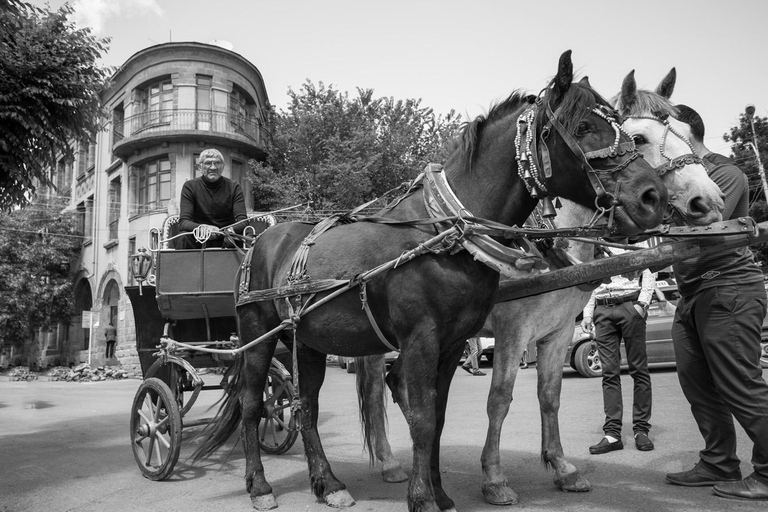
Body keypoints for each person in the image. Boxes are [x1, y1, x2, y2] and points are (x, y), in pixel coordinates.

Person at [664, 105, 768, 500]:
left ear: (685, 131)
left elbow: (707, 225)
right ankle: (719, 461)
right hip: (691, 294)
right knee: (698, 385)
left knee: (741, 384)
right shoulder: (673, 180)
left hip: (728, 288)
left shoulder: (722, 173)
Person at [581, 248, 656, 455]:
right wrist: (588, 313)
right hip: (602, 310)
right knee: (609, 373)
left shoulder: (633, 240)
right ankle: (613, 434)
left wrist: (642, 304)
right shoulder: (595, 244)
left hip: (630, 305)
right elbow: (592, 278)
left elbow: (649, 271)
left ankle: (641, 430)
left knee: (638, 369)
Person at [177, 148, 248, 249]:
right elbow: (183, 222)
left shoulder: (234, 187)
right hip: (199, 239)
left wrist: (228, 230)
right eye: (208, 163)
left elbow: (243, 221)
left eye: (217, 163)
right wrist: (203, 228)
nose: (213, 167)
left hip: (227, 237)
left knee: (239, 239)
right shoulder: (190, 186)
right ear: (200, 167)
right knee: (183, 237)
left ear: (223, 167)